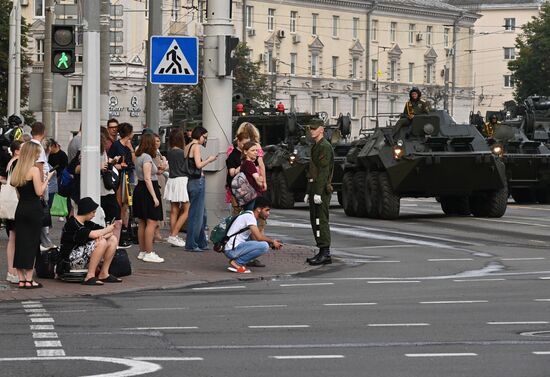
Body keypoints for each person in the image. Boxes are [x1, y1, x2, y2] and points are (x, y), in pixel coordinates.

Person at [11, 142, 55, 288]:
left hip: (21, 208)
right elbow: (39, 192)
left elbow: (18, 192)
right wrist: (48, 178)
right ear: (32, 154)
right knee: (32, 243)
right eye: (36, 153)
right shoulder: (34, 170)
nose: (38, 156)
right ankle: (29, 279)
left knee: (20, 243)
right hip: (33, 209)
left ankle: (21, 279)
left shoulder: (17, 169)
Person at [59, 197, 121, 285]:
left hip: (81, 256)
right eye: (93, 212)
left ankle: (104, 273)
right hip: (69, 259)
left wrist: (102, 234)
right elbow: (95, 234)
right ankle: (90, 275)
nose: (94, 215)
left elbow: (108, 233)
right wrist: (106, 231)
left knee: (113, 239)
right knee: (102, 242)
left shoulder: (87, 223)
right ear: (86, 211)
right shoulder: (72, 223)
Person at [223, 196, 282, 274]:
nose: (268, 213)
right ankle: (237, 263)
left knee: (263, 244)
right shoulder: (249, 217)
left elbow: (255, 238)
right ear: (258, 209)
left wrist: (272, 244)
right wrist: (272, 241)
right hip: (232, 250)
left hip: (232, 248)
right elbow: (259, 237)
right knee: (264, 246)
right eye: (267, 210)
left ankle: (238, 261)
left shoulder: (249, 216)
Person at [304, 118, 334, 266]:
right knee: (314, 220)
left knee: (321, 220)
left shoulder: (324, 146)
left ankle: (325, 252)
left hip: (321, 189)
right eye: (310, 128)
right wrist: (309, 191)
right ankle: (321, 250)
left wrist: (318, 192)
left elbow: (324, 171)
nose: (312, 131)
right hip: (315, 188)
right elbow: (312, 172)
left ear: (322, 129)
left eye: (314, 128)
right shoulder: (316, 146)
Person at [185, 126, 217, 252]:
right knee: (197, 214)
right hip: (197, 181)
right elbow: (198, 165)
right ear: (200, 135)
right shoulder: (196, 146)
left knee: (200, 213)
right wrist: (209, 160)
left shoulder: (187, 146)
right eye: (204, 137)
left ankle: (201, 242)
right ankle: (192, 244)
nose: (205, 140)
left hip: (190, 181)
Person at [133, 133, 165, 263]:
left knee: (142, 221)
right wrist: (154, 197)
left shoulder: (139, 156)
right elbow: (147, 178)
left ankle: (142, 251)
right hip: (148, 189)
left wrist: (160, 169)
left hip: (140, 189)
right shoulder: (147, 157)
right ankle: (149, 252)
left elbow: (148, 173)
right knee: (151, 221)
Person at [108, 122, 135, 247]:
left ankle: (125, 230)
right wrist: (117, 165)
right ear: (128, 133)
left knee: (126, 204)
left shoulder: (128, 146)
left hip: (127, 175)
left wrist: (131, 149)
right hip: (119, 177)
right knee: (119, 203)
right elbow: (110, 161)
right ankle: (118, 233)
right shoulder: (116, 145)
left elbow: (133, 161)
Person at [30, 122, 56, 251]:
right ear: (43, 132)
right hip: (40, 183)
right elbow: (39, 167)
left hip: (31, 182)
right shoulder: (38, 147)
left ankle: (41, 240)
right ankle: (45, 241)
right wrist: (40, 185)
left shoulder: (27, 145)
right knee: (44, 212)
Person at [163, 128, 189, 247]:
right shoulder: (181, 152)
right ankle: (174, 235)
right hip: (181, 180)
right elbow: (186, 167)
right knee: (186, 209)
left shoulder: (170, 151)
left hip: (172, 180)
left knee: (174, 209)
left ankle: (173, 235)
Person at [4, 140, 22, 284]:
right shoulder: (17, 163)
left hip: (10, 206)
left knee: (12, 237)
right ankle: (13, 270)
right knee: (16, 238)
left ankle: (11, 270)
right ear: (16, 151)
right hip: (16, 205)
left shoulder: (10, 162)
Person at [100, 131, 123, 243]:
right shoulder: (97, 153)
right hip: (104, 191)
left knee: (112, 220)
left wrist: (111, 162)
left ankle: (111, 245)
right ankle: (112, 246)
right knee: (115, 220)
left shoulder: (102, 152)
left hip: (105, 191)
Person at [226, 131, 250, 214]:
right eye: (244, 144)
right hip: (237, 189)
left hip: (248, 188)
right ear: (238, 142)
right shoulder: (233, 155)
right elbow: (232, 173)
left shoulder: (249, 153)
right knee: (237, 213)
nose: (246, 146)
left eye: (248, 144)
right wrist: (243, 165)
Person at [240, 141, 264, 211]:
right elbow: (258, 181)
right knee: (251, 218)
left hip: (247, 196)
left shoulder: (244, 163)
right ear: (245, 152)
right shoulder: (249, 164)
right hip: (252, 196)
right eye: (253, 150)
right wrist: (261, 178)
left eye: (256, 150)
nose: (256, 152)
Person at [152, 133, 168, 242]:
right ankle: (155, 232)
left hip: (161, 179)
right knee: (157, 205)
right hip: (156, 179)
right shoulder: (152, 154)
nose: (157, 143)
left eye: (158, 140)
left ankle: (157, 231)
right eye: (155, 141)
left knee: (161, 203)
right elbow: (155, 169)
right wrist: (162, 168)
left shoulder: (158, 152)